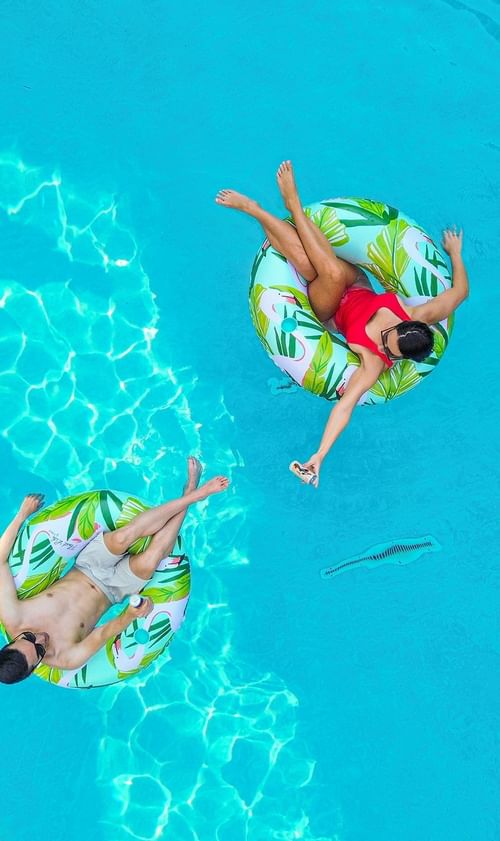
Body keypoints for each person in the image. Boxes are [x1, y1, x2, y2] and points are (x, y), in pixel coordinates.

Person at [216, 161, 469, 487]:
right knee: (322, 269)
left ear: (397, 357)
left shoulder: (374, 363)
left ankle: (269, 208)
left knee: (323, 272)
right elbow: (460, 292)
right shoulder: (420, 314)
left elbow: (344, 410)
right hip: (357, 281)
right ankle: (275, 208)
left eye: (386, 346)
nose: (382, 339)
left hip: (328, 308)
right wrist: (455, 254)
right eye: (390, 333)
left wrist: (319, 456)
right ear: (408, 324)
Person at [0, 458, 229, 684]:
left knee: (122, 537)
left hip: (88, 566)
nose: (41, 639)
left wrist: (22, 515)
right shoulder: (65, 658)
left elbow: (0, 561)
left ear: (10, 642)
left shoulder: (12, 615)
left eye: (29, 638)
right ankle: (190, 490)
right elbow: (103, 634)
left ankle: (195, 494)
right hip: (114, 590)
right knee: (151, 559)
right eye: (39, 650)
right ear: (34, 669)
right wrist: (131, 615)